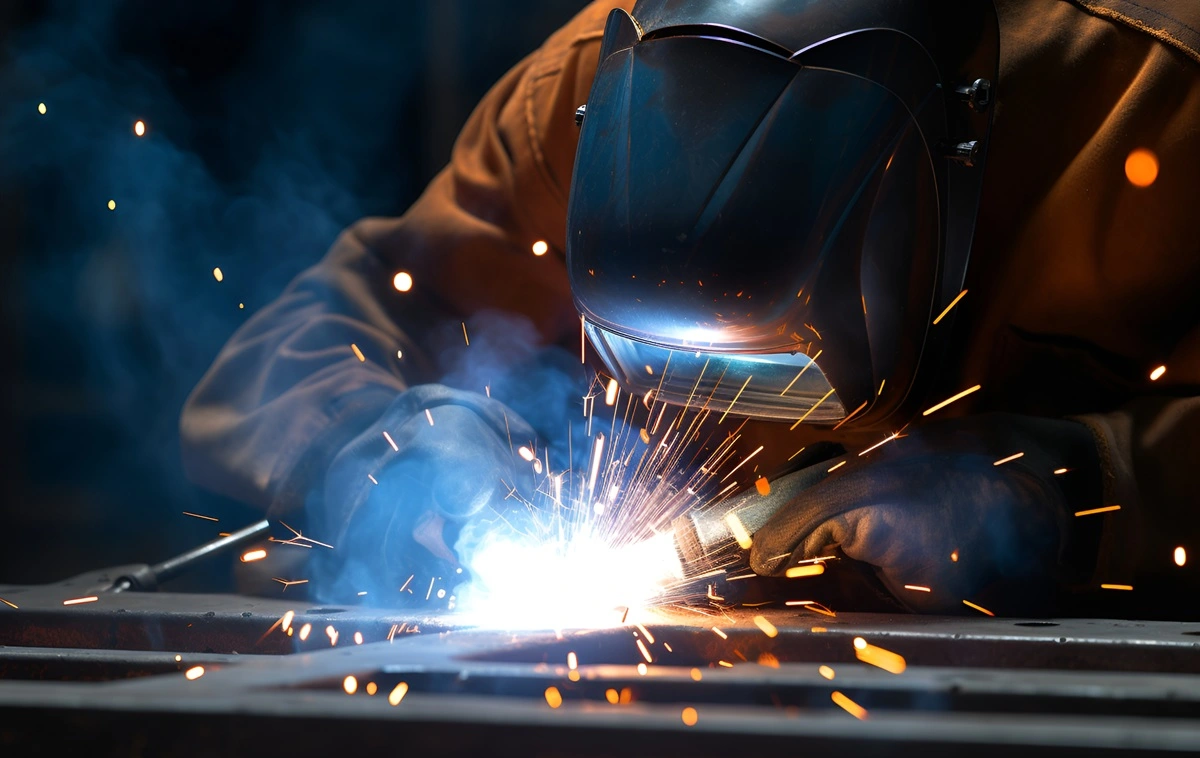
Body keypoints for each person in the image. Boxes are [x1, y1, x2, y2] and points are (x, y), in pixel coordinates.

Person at [182, 0, 1199, 615]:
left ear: (950, 173)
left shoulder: (1157, 113)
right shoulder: (583, 93)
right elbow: (325, 326)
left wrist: (1072, 486)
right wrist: (380, 439)